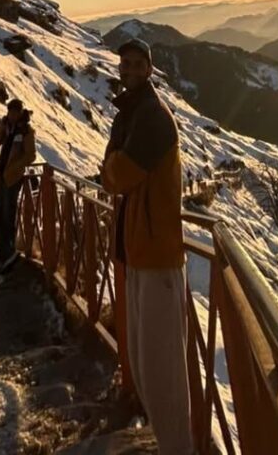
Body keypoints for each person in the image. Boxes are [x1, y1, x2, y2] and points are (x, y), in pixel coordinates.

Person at [102, 38, 193, 455]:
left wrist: (113, 163)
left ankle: (180, 449)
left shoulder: (152, 118)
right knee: (142, 363)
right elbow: (113, 170)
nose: (130, 70)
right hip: (138, 252)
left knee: (163, 373)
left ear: (149, 69)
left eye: (138, 64)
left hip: (156, 257)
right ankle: (167, 444)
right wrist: (113, 163)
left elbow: (118, 174)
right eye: (125, 64)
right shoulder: (134, 114)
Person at [0, 99, 36, 271]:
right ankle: (3, 249)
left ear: (20, 112)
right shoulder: (8, 127)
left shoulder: (26, 130)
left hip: (13, 177)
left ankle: (9, 250)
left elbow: (30, 155)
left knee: (7, 213)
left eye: (14, 112)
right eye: (9, 112)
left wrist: (15, 167)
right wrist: (2, 127)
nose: (11, 115)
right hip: (1, 175)